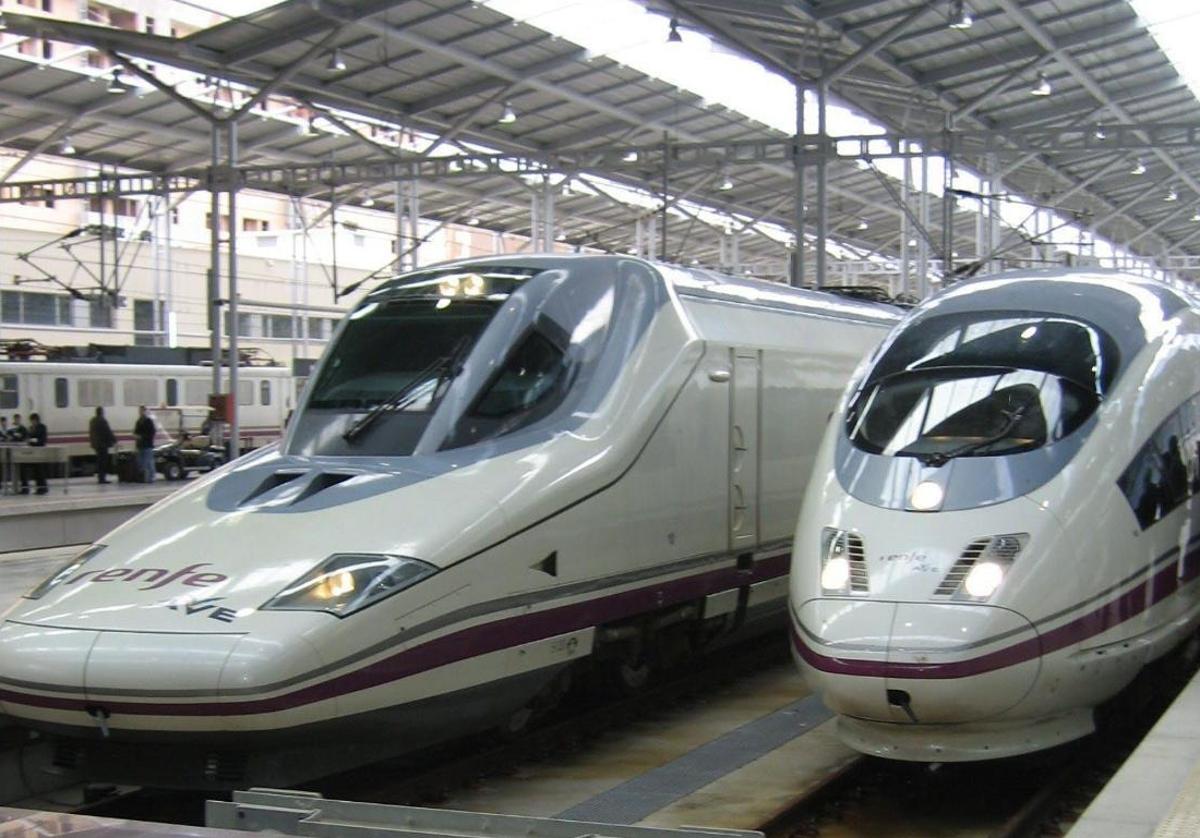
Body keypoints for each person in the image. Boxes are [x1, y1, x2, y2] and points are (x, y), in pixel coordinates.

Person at [89, 406, 117, 485]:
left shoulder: (92, 421)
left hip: (96, 445)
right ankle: (102, 479)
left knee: (99, 461)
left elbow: (91, 433)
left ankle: (100, 478)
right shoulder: (102, 420)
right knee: (103, 462)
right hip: (103, 445)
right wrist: (114, 440)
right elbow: (108, 432)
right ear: (102, 412)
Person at [23, 412, 48, 495]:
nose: (32, 423)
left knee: (40, 471)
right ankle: (39, 488)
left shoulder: (42, 427)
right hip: (33, 452)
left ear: (36, 420)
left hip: (40, 451)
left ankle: (43, 488)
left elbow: (43, 440)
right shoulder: (31, 428)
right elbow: (28, 437)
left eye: (32, 421)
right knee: (36, 471)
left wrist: (33, 440)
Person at [134, 406, 157, 484]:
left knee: (149, 462)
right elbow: (135, 431)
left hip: (147, 444)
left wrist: (142, 436)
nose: (140, 412)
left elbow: (152, 432)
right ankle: (143, 478)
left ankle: (151, 477)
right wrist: (136, 436)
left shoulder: (148, 421)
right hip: (140, 445)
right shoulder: (138, 421)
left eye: (141, 411)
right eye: (139, 411)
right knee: (141, 463)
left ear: (144, 411)